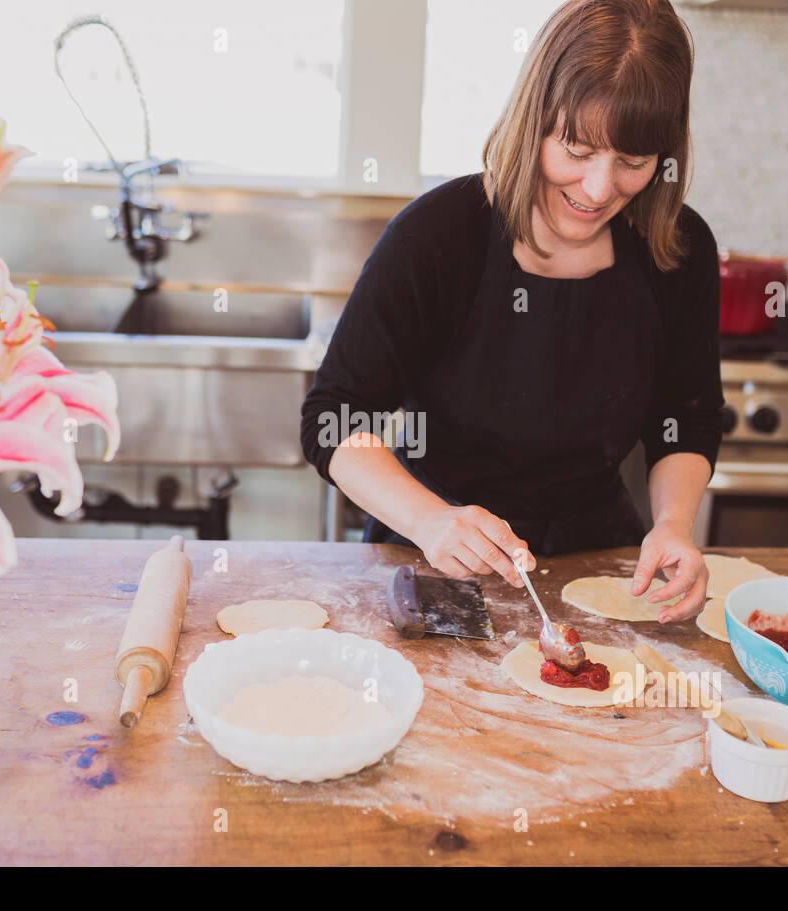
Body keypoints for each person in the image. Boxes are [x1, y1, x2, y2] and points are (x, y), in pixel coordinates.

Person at [300, 0, 723, 622]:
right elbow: (331, 419)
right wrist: (431, 519)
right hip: (437, 559)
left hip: (600, 565)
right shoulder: (439, 237)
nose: (600, 189)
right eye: (577, 151)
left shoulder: (678, 249)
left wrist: (674, 525)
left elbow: (685, 421)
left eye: (633, 163)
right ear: (535, 121)